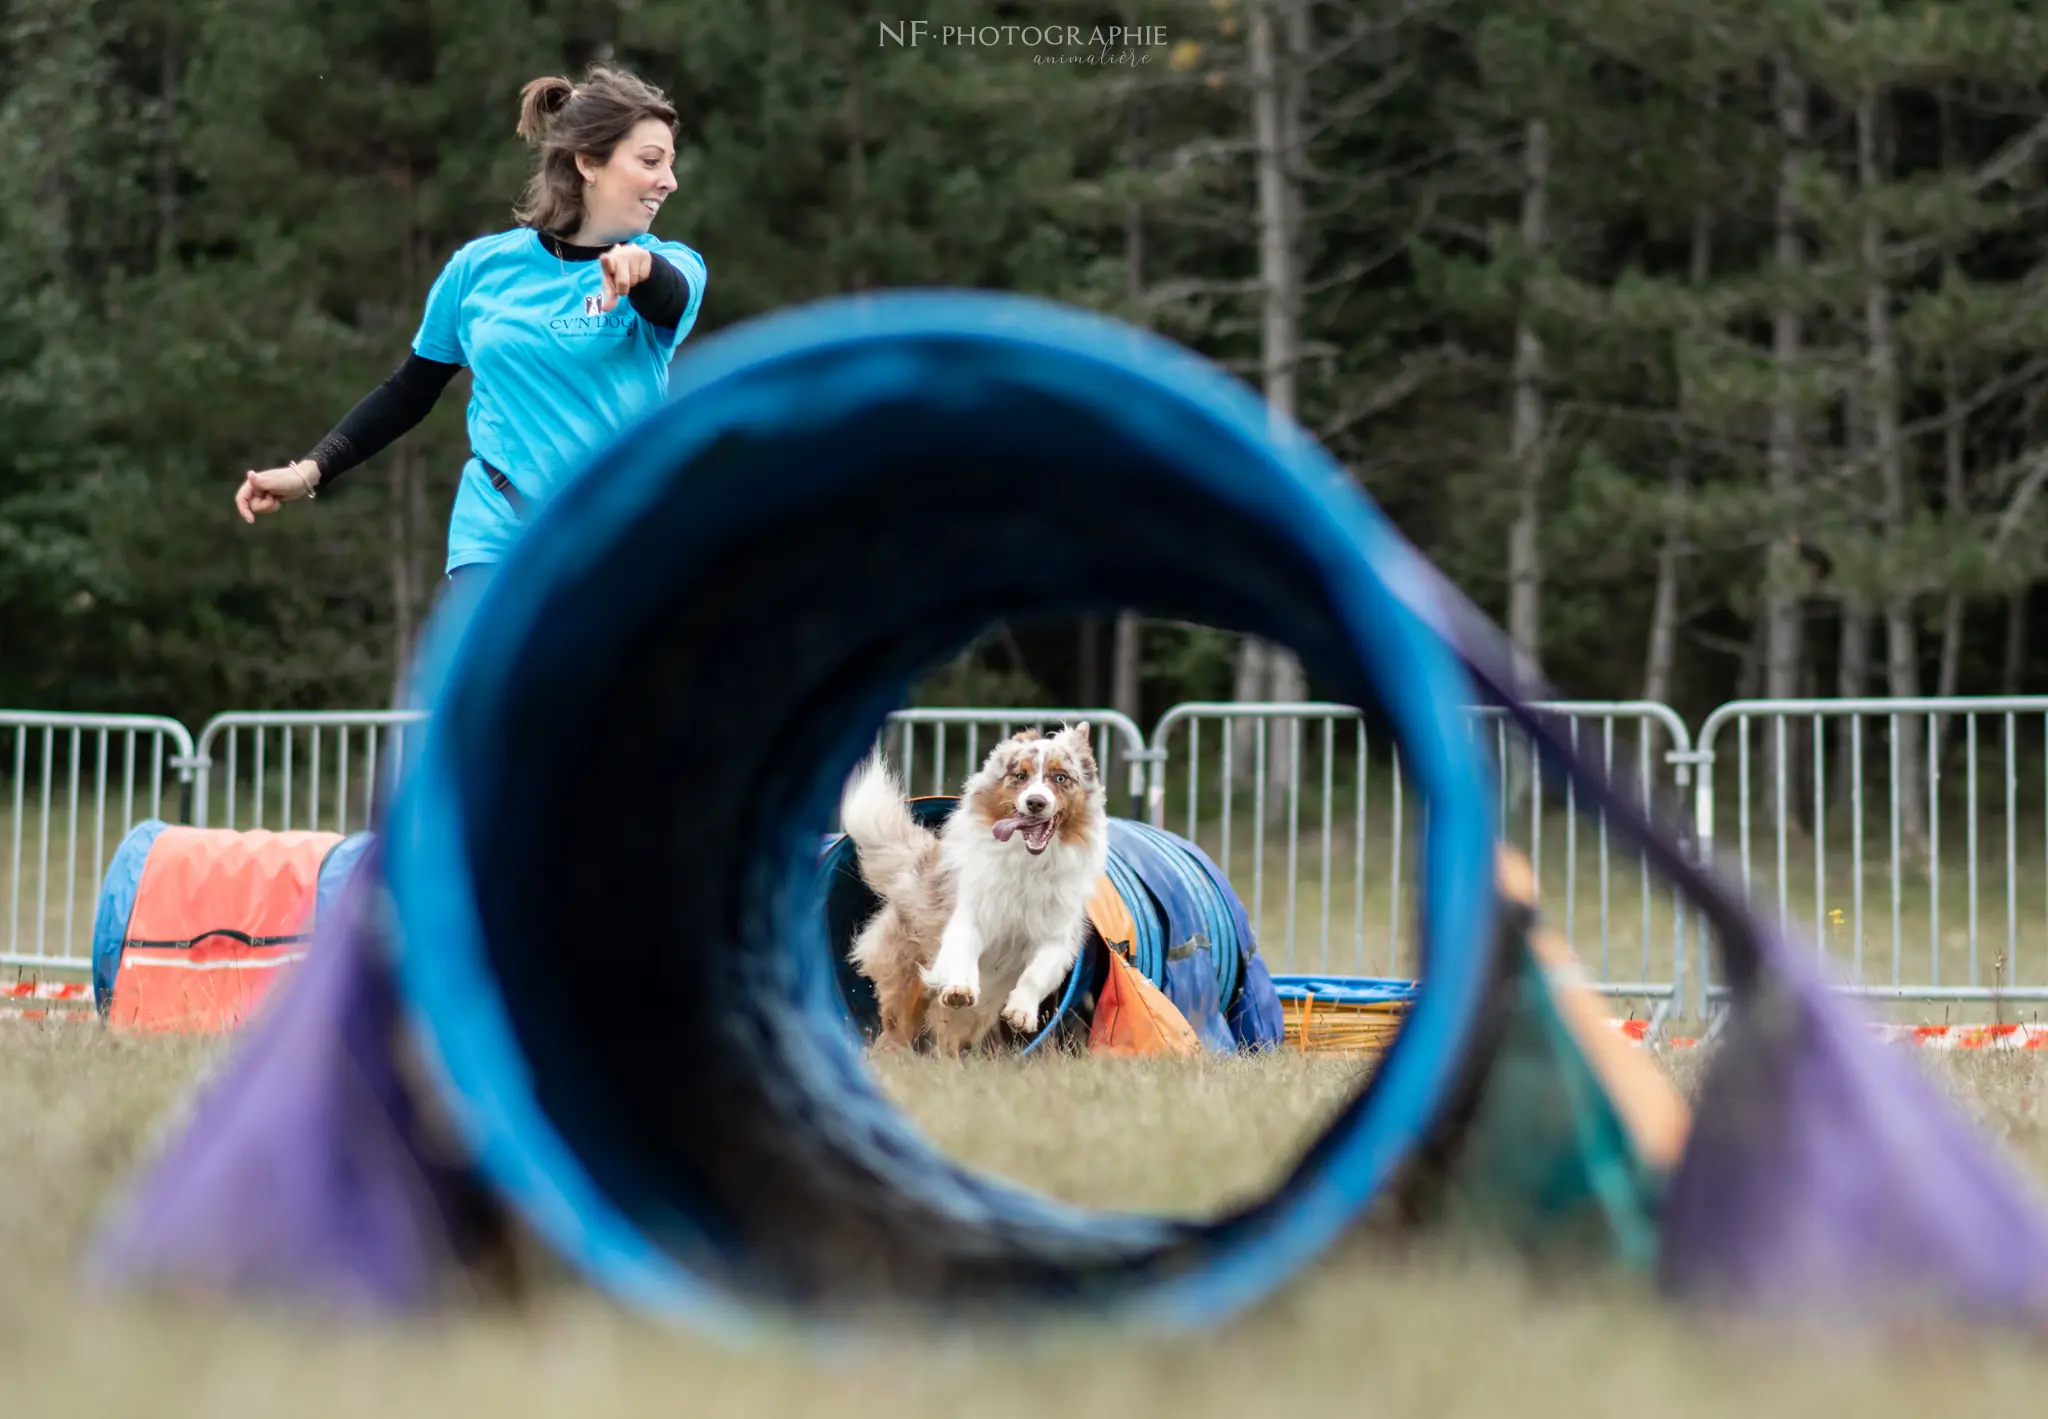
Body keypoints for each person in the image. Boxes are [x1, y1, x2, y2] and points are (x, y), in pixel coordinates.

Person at [234, 64, 708, 590]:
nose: (670, 180)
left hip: (621, 536)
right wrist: (310, 470)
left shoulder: (671, 264)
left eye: (670, 163)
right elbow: (408, 391)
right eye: (651, 161)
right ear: (588, 162)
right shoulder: (478, 269)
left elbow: (669, 296)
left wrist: (640, 271)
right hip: (499, 534)